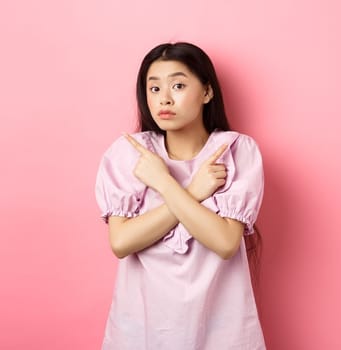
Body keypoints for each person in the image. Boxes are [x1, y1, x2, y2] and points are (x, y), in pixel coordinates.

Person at [94, 42, 266, 349]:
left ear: (207, 92)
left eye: (178, 85)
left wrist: (165, 184)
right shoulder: (130, 153)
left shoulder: (236, 151)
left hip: (221, 331)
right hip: (142, 330)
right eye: (154, 88)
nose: (165, 99)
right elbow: (121, 243)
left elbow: (225, 242)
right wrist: (191, 192)